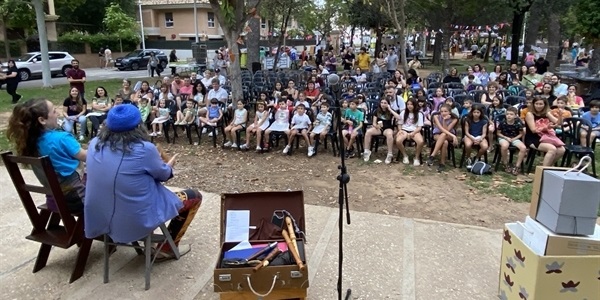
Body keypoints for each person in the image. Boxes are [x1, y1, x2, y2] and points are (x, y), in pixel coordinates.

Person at [84, 104, 201, 260]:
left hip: (101, 217)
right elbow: (164, 175)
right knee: (194, 196)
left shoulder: (94, 144)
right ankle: (166, 248)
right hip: (135, 219)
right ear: (139, 126)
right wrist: (169, 165)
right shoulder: (145, 149)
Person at [7, 98, 87, 213]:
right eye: (54, 111)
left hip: (54, 199)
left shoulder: (30, 142)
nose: (58, 113)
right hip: (76, 200)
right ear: (42, 120)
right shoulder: (62, 138)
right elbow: (87, 157)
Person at [524, 96, 565, 166]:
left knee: (562, 150)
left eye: (541, 104)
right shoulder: (530, 114)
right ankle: (542, 171)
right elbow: (533, 130)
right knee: (552, 149)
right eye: (536, 104)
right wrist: (546, 127)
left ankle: (547, 166)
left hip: (546, 136)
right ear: (533, 104)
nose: (538, 106)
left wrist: (560, 116)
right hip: (533, 138)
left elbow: (559, 123)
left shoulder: (547, 113)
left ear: (545, 105)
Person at [362, 98, 400, 164]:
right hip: (379, 128)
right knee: (368, 132)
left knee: (389, 134)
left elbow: (399, 118)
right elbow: (374, 123)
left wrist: (390, 109)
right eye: (382, 102)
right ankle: (366, 151)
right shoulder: (376, 111)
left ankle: (389, 154)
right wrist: (376, 126)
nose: (383, 104)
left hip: (388, 128)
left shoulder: (390, 111)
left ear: (388, 104)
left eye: (385, 103)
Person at [427, 104, 459, 172]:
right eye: (441, 111)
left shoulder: (454, 119)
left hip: (448, 135)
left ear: (450, 112)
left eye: (445, 111)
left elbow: (446, 130)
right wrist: (454, 136)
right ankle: (442, 163)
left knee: (444, 134)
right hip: (438, 133)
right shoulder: (436, 116)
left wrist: (444, 120)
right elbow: (441, 129)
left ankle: (432, 155)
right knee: (445, 142)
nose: (443, 113)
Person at [497, 107, 527, 175]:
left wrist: (514, 139)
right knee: (505, 146)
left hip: (515, 138)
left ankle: (517, 166)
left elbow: (521, 134)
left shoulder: (518, 123)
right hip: (503, 137)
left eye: (511, 114)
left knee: (523, 148)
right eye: (507, 114)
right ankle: (505, 163)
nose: (509, 116)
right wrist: (506, 137)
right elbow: (498, 133)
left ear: (515, 116)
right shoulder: (502, 123)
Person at [395, 98, 425, 166]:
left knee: (420, 141)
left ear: (414, 105)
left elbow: (419, 127)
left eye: (411, 104)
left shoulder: (419, 114)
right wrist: (400, 130)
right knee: (398, 141)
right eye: (408, 104)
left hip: (415, 130)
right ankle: (405, 155)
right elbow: (399, 124)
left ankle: (416, 157)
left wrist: (413, 133)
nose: (409, 106)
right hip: (404, 130)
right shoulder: (403, 112)